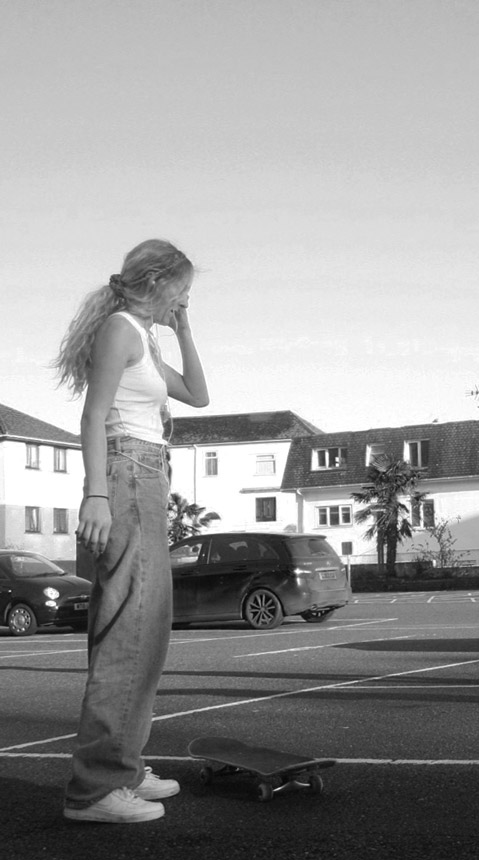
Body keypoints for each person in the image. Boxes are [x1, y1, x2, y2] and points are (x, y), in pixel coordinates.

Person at [53, 240, 209, 823]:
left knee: (142, 627)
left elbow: (197, 394)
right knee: (130, 629)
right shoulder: (120, 328)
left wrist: (184, 326)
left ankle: (121, 765)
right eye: (183, 289)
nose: (186, 297)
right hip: (125, 473)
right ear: (157, 281)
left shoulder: (143, 334)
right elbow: (93, 417)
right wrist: (95, 494)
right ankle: (95, 791)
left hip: (145, 475)